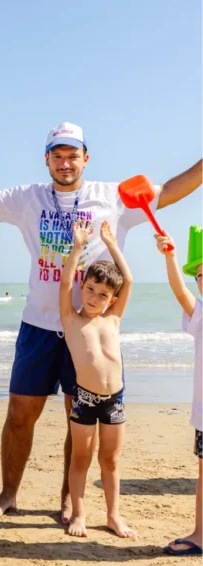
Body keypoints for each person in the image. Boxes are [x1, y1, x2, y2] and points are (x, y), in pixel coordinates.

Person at [0, 121, 203, 522]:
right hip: (39, 326)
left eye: (73, 155)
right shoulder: (26, 198)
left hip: (88, 331)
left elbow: (167, 192)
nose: (66, 163)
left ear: (86, 157)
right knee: (18, 415)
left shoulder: (112, 197)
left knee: (76, 419)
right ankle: (8, 493)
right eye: (57, 155)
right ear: (47, 159)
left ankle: (69, 499)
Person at [60, 219, 134, 538]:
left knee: (111, 460)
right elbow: (64, 284)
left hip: (115, 400)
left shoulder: (113, 319)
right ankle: (79, 514)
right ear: (82, 286)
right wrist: (78, 247)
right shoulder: (72, 319)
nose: (93, 297)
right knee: (81, 458)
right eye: (90, 289)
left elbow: (128, 280)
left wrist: (112, 244)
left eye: (102, 294)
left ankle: (113, 515)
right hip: (86, 400)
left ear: (112, 300)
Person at [156, 231, 203, 556]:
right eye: (200, 275)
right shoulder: (201, 315)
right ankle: (201, 533)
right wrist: (171, 257)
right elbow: (178, 290)